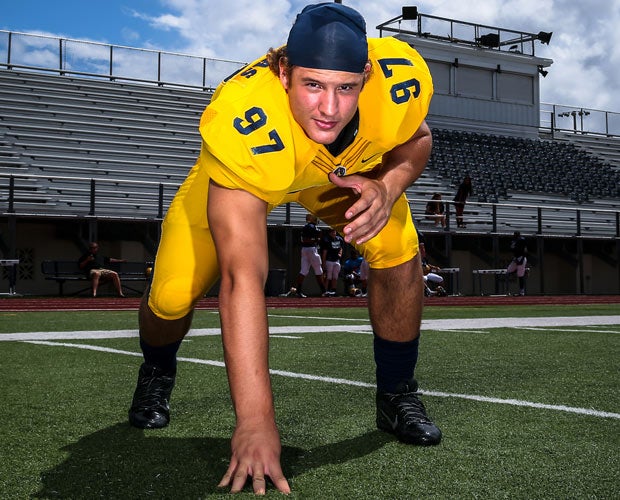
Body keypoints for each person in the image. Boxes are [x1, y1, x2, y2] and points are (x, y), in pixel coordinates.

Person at [127, 3, 441, 495]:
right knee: (170, 296)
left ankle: (397, 392)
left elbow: (417, 138)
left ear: (367, 74)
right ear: (283, 72)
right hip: (250, 175)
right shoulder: (244, 115)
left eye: (345, 88)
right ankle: (157, 370)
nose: (330, 108)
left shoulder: (399, 77)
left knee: (399, 245)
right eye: (312, 85)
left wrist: (388, 185)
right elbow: (241, 277)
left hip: (335, 175)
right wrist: (255, 420)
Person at [286, 213, 326, 297]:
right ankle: (323, 291)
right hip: (311, 249)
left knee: (303, 271)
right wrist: (316, 239)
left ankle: (298, 290)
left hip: (304, 249)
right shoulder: (311, 227)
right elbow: (308, 239)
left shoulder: (306, 227)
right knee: (319, 270)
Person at [320, 227, 344, 296]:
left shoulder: (339, 239)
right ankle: (325, 291)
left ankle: (333, 290)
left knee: (335, 276)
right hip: (329, 260)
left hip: (336, 260)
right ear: (329, 233)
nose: (334, 233)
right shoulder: (326, 240)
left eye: (334, 231)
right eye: (332, 232)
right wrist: (323, 264)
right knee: (328, 276)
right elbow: (324, 252)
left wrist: (340, 254)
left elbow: (341, 248)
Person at [506, 231, 528, 295]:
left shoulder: (522, 240)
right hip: (516, 258)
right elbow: (512, 249)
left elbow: (525, 250)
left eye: (516, 234)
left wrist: (521, 259)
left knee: (520, 276)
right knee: (508, 270)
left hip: (521, 258)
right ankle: (523, 271)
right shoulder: (513, 241)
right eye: (514, 234)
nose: (514, 235)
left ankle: (522, 292)